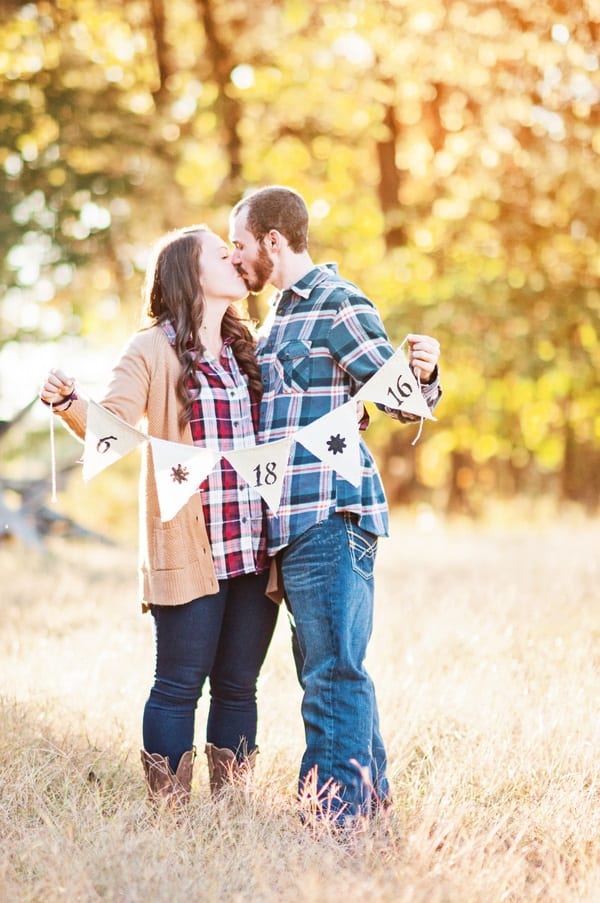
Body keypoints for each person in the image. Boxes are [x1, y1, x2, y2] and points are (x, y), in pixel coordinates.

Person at [40, 225, 279, 810]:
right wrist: (70, 402)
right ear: (190, 274)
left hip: (254, 547)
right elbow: (114, 423)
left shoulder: (251, 347)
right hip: (188, 548)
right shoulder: (149, 348)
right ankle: (169, 815)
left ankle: (230, 812)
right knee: (177, 688)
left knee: (238, 686)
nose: (236, 260)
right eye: (222, 256)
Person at [229, 186, 442, 826]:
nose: (235, 259)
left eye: (240, 245)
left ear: (273, 241)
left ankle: (333, 823)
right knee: (327, 671)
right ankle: (370, 805)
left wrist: (424, 375)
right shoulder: (274, 321)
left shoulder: (336, 304)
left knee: (332, 675)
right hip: (291, 524)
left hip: (331, 514)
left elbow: (404, 401)